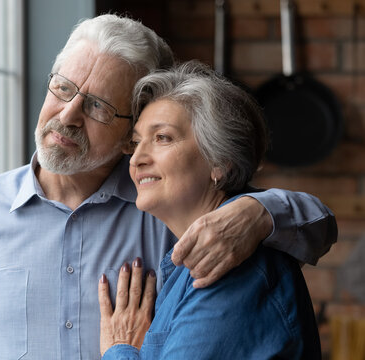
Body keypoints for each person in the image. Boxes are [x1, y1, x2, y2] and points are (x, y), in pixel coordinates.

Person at [0, 14, 336, 359]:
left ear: (132, 129)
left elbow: (316, 228)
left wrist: (260, 213)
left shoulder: (171, 211)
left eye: (99, 107)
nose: (67, 115)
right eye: (62, 87)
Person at [99, 61, 321, 359]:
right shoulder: (191, 262)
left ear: (219, 163)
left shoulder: (229, 264)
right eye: (137, 142)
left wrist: (119, 349)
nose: (136, 158)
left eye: (162, 137)